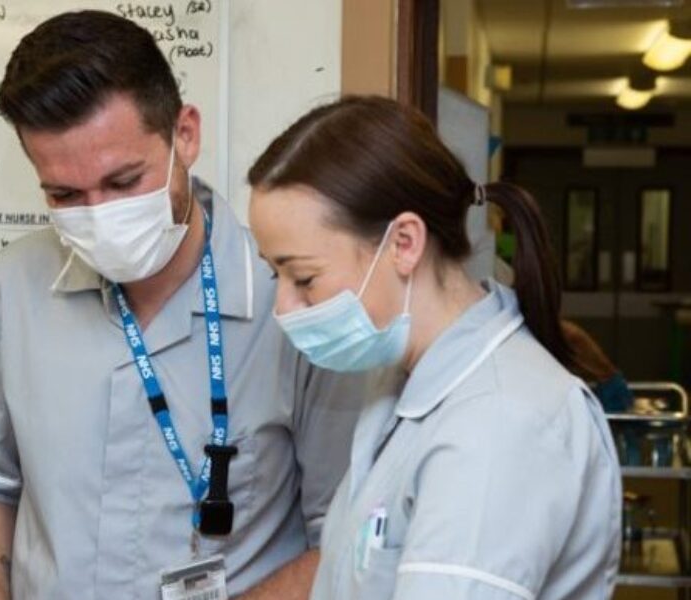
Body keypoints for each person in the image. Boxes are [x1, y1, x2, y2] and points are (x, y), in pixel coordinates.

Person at [0, 11, 360, 599]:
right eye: (65, 194)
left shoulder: (290, 297)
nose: (99, 213)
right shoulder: (8, 292)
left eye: (123, 181)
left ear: (185, 135)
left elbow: (347, 540)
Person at [247, 96, 621, 599]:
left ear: (403, 243)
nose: (284, 308)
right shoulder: (402, 387)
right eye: (276, 275)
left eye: (303, 277)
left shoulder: (498, 420)